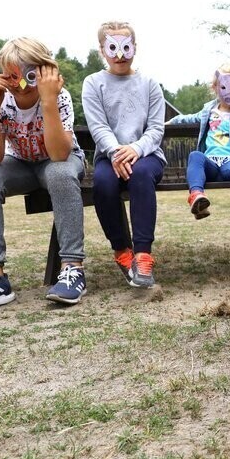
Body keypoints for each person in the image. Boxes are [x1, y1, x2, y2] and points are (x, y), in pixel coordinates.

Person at [0, 38, 87, 310]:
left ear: (44, 71)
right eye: (12, 76)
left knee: (61, 173)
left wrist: (48, 100)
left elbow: (59, 155)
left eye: (30, 75)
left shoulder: (58, 96)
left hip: (59, 159)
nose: (22, 85)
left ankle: (72, 268)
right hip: (19, 162)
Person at [82, 21, 166, 288]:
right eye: (112, 48)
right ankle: (121, 250)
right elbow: (98, 125)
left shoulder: (150, 84)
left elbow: (155, 128)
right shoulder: (93, 83)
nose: (119, 55)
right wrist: (117, 152)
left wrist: (136, 149)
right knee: (104, 182)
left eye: (126, 47)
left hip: (147, 154)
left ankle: (143, 255)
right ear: (102, 50)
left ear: (135, 47)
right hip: (110, 155)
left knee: (140, 174)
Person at [166, 65, 230, 220]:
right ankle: (197, 197)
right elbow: (189, 118)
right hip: (211, 164)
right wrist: (170, 122)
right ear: (215, 87)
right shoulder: (209, 110)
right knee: (195, 155)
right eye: (223, 87)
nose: (228, 93)